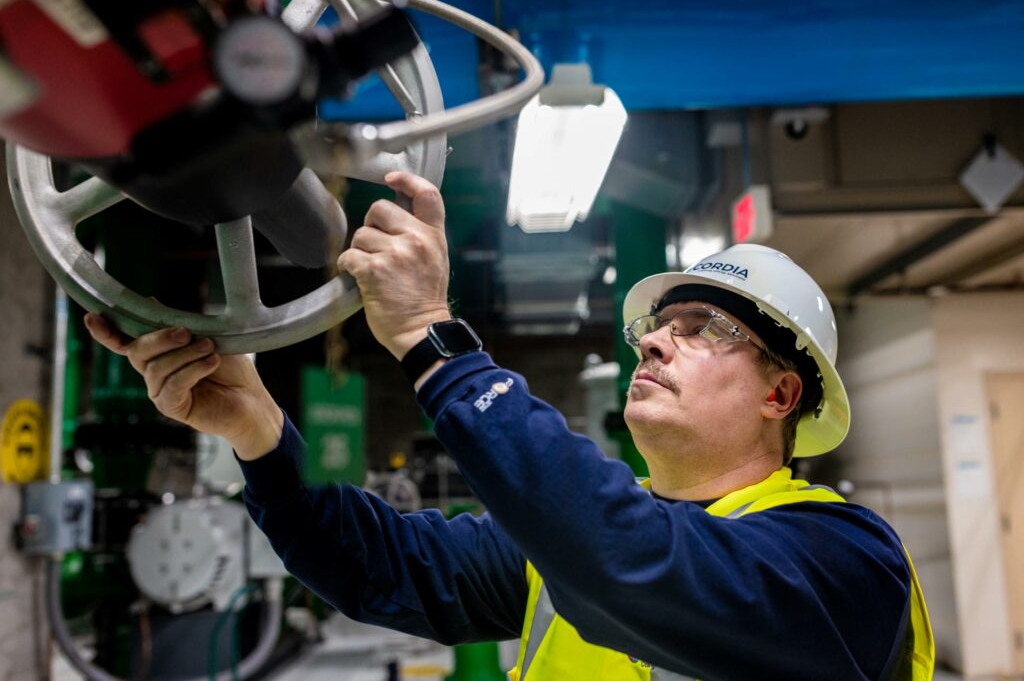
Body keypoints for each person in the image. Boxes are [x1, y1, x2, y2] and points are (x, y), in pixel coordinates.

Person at [85, 172, 934, 680]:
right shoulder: (558, 550)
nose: (659, 341)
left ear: (782, 395)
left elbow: (629, 558)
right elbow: (375, 563)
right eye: (655, 326)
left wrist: (435, 339)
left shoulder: (845, 560)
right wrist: (258, 428)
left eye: (705, 328)